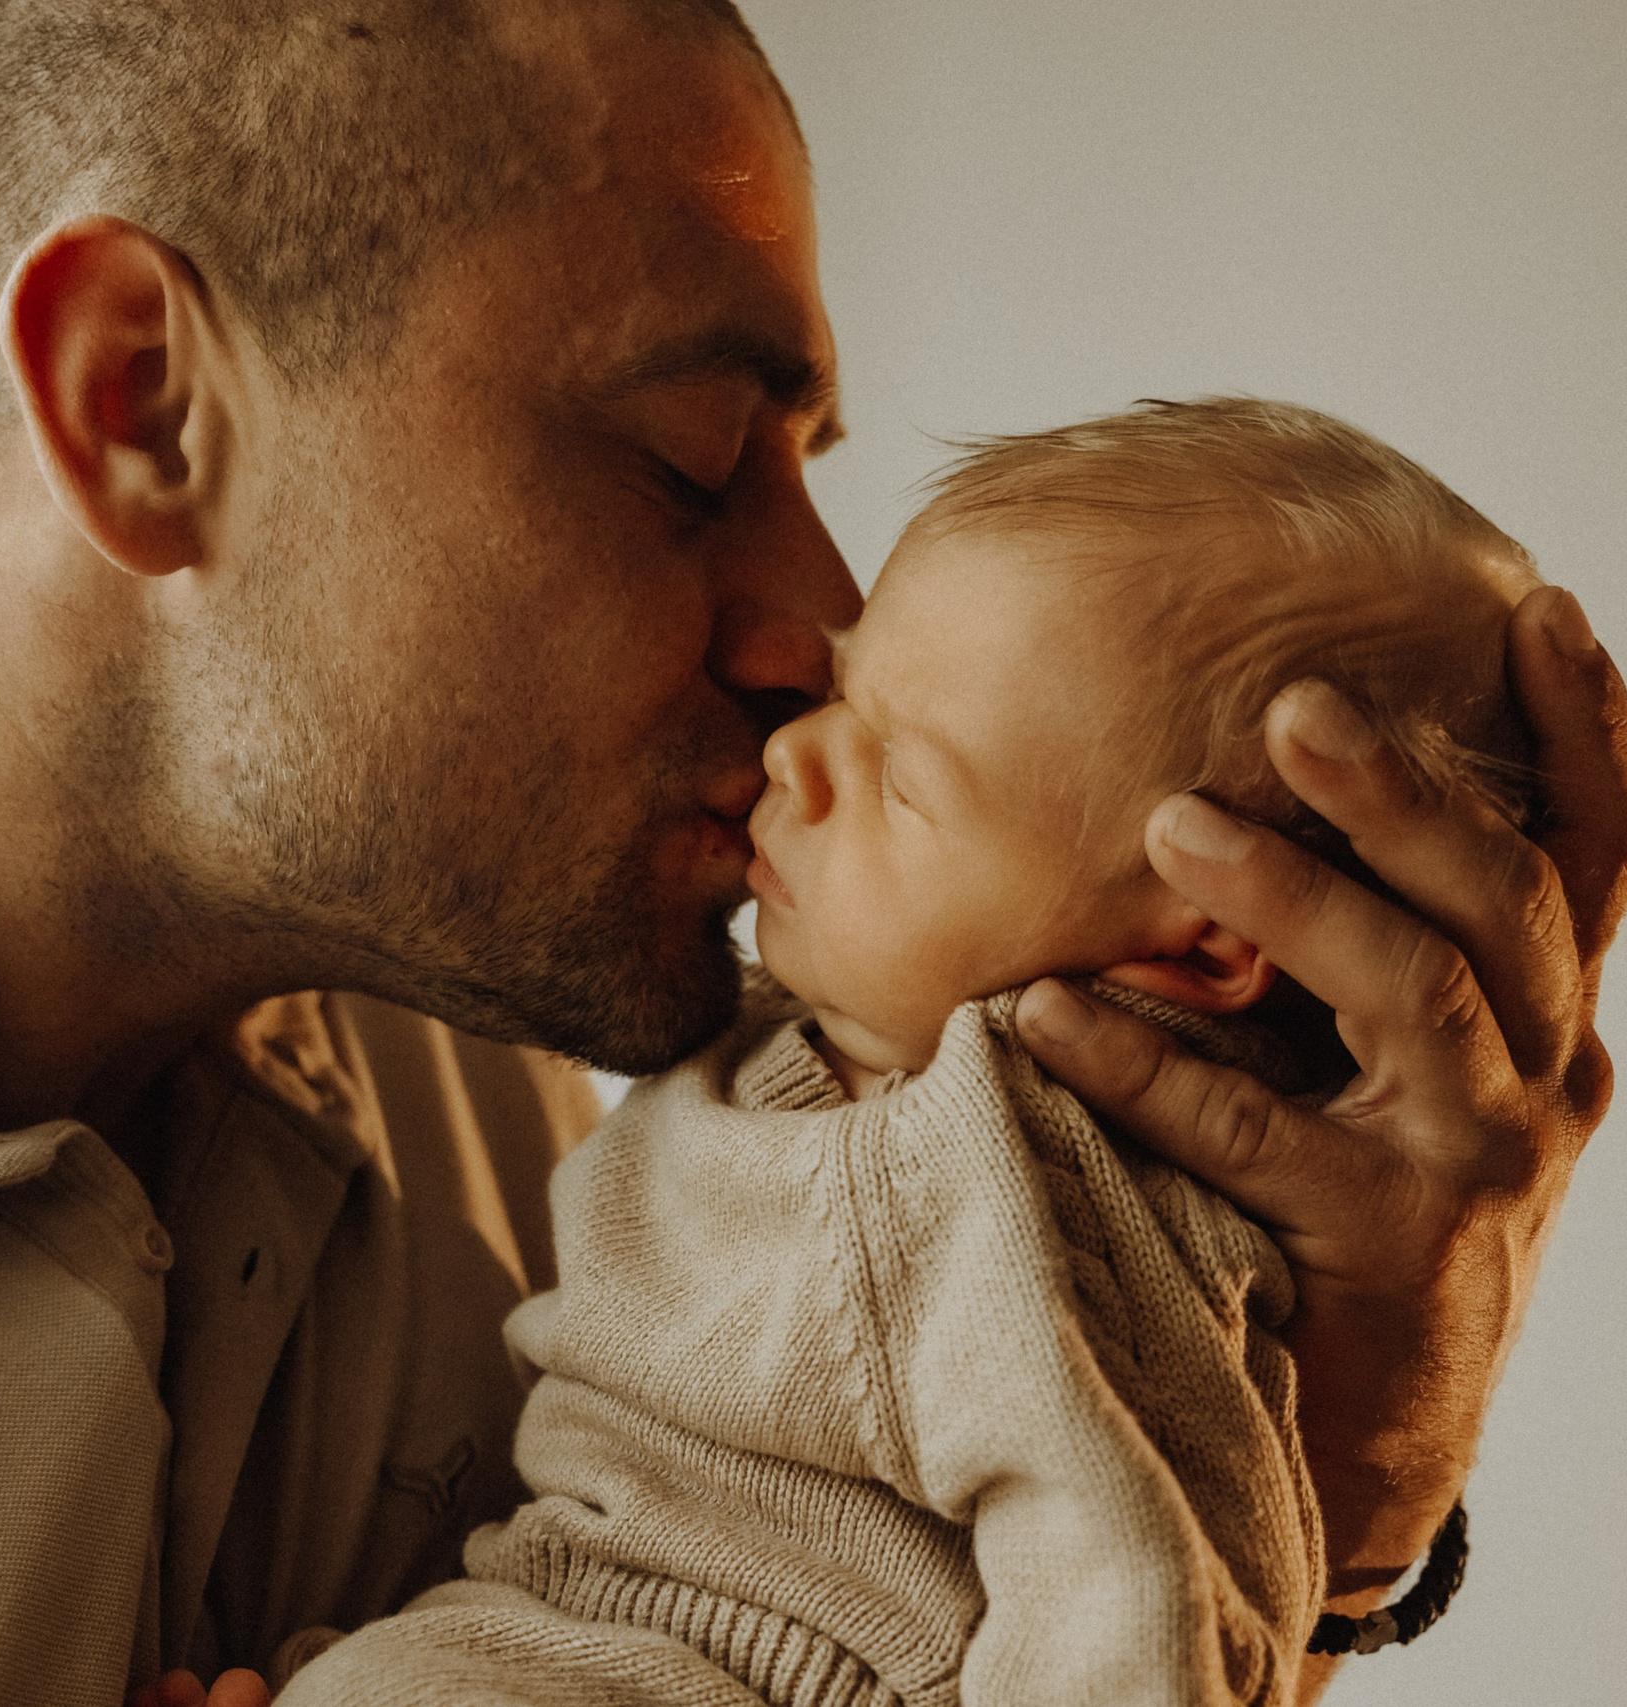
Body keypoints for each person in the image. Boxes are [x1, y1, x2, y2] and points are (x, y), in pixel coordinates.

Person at [0, 1, 1627, 1703]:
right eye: (683, 464)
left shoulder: (483, 954)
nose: (826, 624)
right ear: (143, 405)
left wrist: (1348, 1473)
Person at [280, 398, 1546, 1707]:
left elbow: (1143, 1597)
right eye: (847, 697)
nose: (794, 751)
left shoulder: (1020, 1198)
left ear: (1211, 938)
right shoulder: (825, 1035)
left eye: (900, 776)